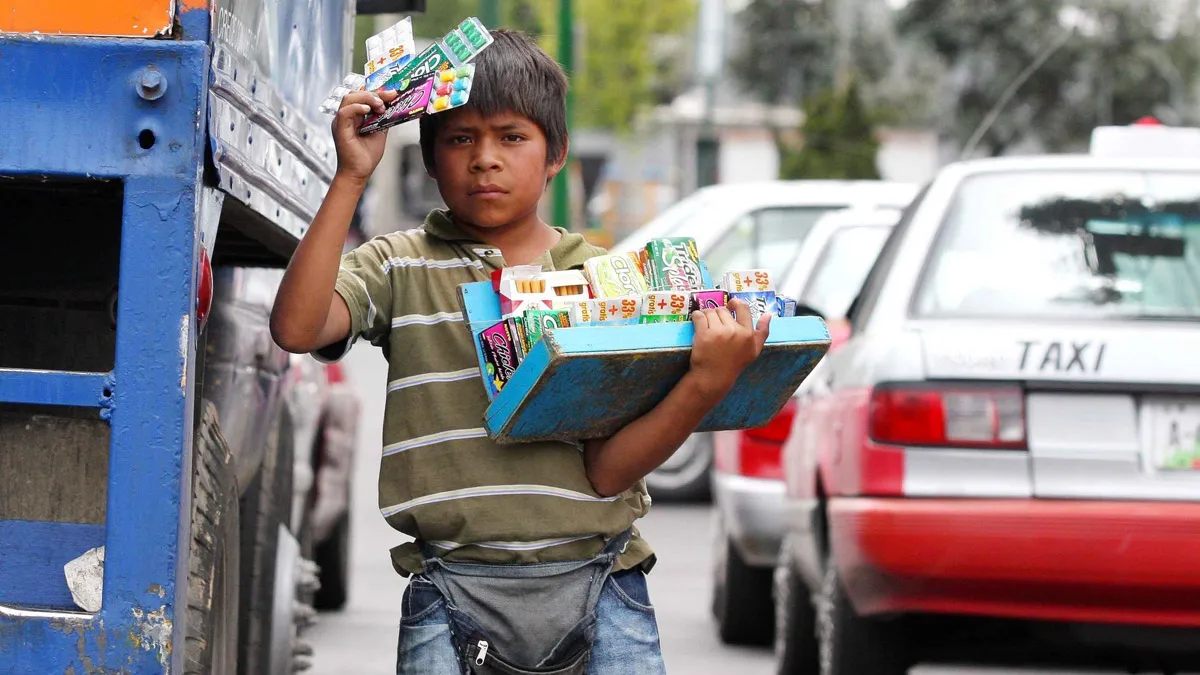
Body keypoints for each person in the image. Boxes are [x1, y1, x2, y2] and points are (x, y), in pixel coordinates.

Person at [270, 29, 771, 675]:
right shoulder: (399, 266)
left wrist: (707, 379)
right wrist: (350, 177)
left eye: (511, 137)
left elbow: (609, 471)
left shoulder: (607, 284)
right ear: (427, 156)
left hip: (603, 583)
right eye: (460, 139)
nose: (485, 159)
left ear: (555, 153)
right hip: (449, 589)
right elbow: (297, 328)